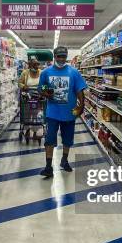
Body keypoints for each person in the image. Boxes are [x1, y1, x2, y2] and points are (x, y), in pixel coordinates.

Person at [38, 46, 87, 177]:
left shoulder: (74, 72)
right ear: (54, 56)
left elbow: (79, 90)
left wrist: (81, 105)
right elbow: (41, 88)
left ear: (66, 57)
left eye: (63, 57)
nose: (61, 59)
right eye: (58, 56)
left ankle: (64, 161)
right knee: (49, 139)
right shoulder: (46, 72)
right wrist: (46, 93)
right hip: (52, 113)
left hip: (69, 113)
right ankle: (48, 166)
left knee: (67, 139)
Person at [18, 59, 43, 140]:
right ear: (30, 65)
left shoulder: (41, 72)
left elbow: (45, 83)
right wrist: (23, 86)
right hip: (27, 97)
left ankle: (35, 132)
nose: (36, 66)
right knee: (27, 115)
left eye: (37, 64)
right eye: (34, 65)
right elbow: (19, 83)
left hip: (38, 98)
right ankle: (27, 131)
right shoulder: (25, 73)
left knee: (36, 115)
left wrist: (43, 89)